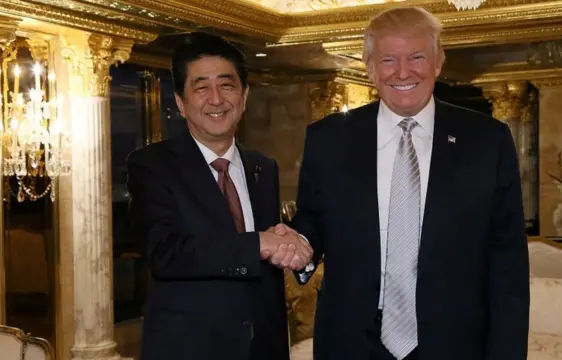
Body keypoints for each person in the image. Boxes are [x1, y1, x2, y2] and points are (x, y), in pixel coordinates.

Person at [280, 6, 530, 360]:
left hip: (455, 345)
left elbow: (508, 265)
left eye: (416, 57)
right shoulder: (329, 139)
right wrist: (301, 241)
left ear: (438, 62)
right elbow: (314, 219)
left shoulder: (487, 140)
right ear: (369, 67)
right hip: (351, 343)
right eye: (387, 60)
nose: (402, 72)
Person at [126, 32, 312, 360]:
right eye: (201, 87)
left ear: (244, 96)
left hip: (263, 346)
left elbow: (264, 261)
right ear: (182, 104)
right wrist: (258, 243)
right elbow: (164, 253)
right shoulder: (151, 165)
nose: (216, 99)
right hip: (189, 348)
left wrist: (289, 246)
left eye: (226, 85)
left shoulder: (263, 167)